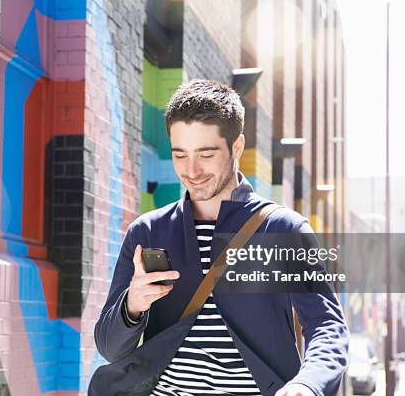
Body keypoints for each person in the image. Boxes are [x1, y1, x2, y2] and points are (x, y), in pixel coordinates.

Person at [94, 79, 349, 396]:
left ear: (237, 147)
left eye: (206, 153)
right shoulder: (147, 232)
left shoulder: (285, 230)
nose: (191, 170)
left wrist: (308, 384)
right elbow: (109, 347)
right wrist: (131, 307)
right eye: (179, 154)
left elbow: (327, 326)